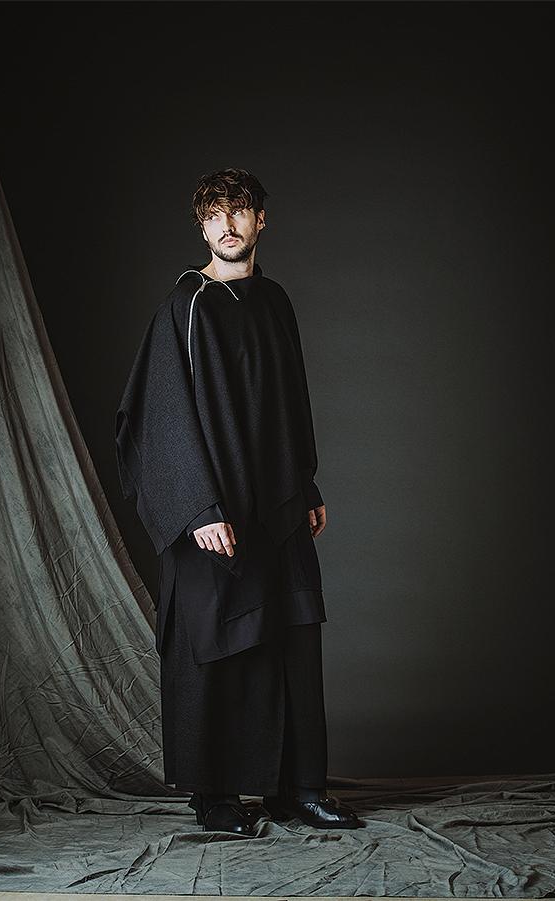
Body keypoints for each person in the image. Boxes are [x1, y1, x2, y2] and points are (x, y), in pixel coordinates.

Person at [115, 167, 362, 835]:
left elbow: (289, 401)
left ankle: (299, 789)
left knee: (293, 638)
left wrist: (304, 484)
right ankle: (215, 794)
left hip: (275, 505)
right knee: (215, 645)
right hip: (211, 514)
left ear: (260, 221)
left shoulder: (275, 301)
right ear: (202, 227)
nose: (227, 225)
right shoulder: (186, 306)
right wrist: (197, 507)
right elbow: (158, 416)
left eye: (239, 211)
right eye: (214, 214)